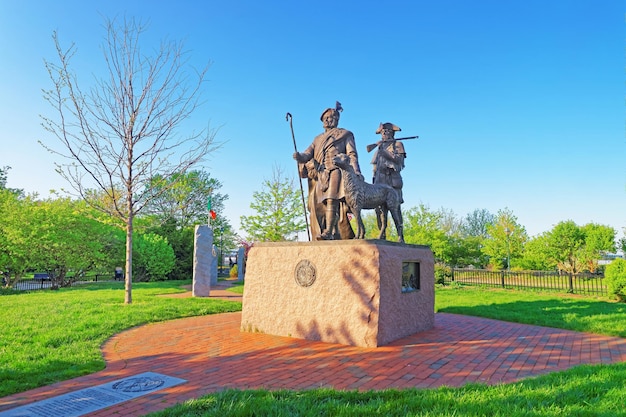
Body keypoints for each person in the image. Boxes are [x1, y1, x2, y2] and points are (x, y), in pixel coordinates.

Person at [294, 104, 363, 240]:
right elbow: (308, 154)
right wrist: (299, 157)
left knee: (331, 199)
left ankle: (328, 232)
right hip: (322, 174)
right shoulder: (317, 139)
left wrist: (356, 171)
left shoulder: (345, 134)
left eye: (330, 117)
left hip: (336, 170)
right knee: (322, 203)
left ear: (336, 119)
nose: (327, 120)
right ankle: (332, 232)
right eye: (325, 118)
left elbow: (352, 154)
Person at [371, 122, 406, 236]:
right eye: (383, 132)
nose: (385, 134)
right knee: (380, 210)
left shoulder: (398, 145)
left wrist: (384, 153)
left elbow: (399, 161)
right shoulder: (379, 147)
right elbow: (374, 166)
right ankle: (382, 234)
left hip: (392, 181)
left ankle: (400, 235)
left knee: (395, 209)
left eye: (388, 132)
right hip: (380, 181)